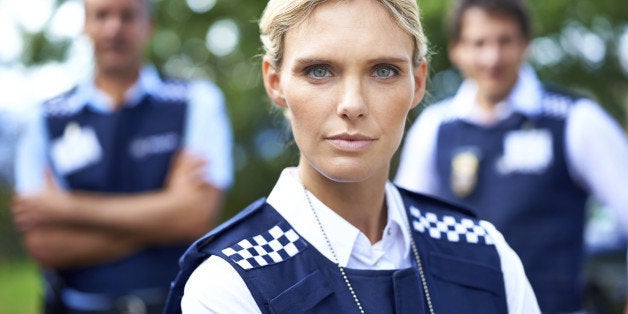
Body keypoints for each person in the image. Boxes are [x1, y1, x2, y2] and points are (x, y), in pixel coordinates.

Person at [165, 0, 540, 313]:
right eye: (319, 71)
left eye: (383, 71)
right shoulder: (228, 282)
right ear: (275, 82)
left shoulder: (485, 253)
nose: (352, 105)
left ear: (418, 82)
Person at [394, 0, 628, 312]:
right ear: (456, 50)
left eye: (505, 41)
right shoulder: (435, 127)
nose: (493, 57)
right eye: (479, 43)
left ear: (526, 45)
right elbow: (406, 235)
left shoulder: (575, 119)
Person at [10, 0, 233, 312]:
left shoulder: (196, 101)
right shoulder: (42, 119)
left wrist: (66, 209)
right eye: (101, 15)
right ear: (84, 25)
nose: (114, 28)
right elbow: (44, 246)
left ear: (149, 25)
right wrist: (164, 217)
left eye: (127, 15)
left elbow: (195, 217)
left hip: (175, 304)